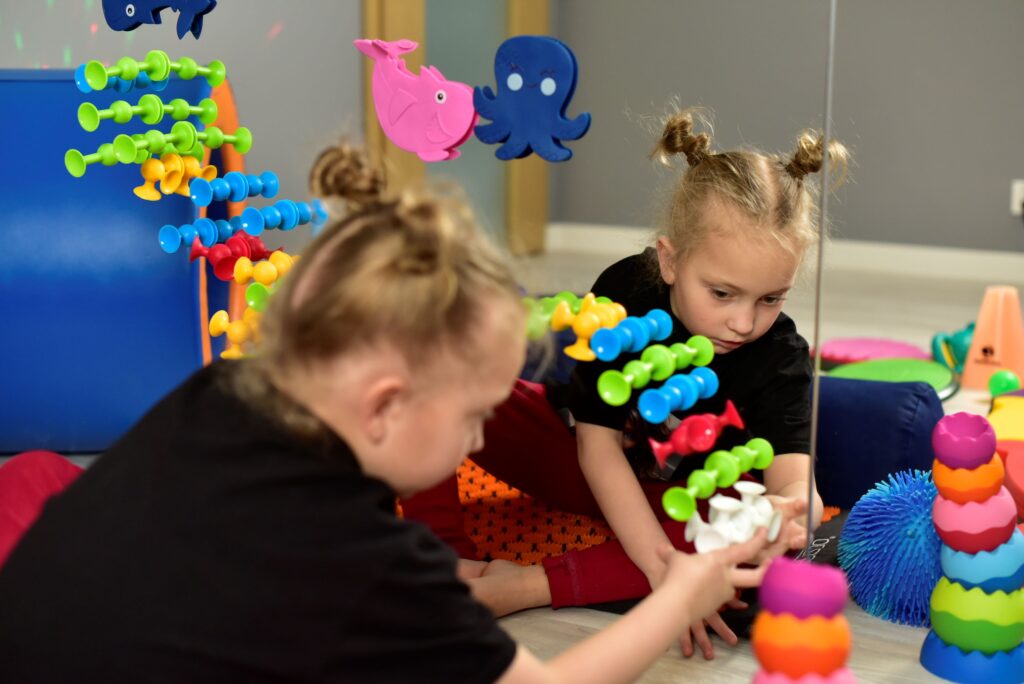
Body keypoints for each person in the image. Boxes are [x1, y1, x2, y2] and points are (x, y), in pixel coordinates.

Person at [0, 142, 778, 683]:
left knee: (38, 477)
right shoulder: (372, 565)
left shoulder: (223, 394)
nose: (480, 436)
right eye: (472, 416)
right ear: (384, 405)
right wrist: (679, 596)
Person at [401, 108, 849, 659]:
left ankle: (522, 586)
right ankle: (445, 558)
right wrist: (668, 578)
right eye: (722, 293)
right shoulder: (626, 291)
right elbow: (596, 447)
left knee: (742, 545)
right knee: (432, 376)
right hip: (580, 460)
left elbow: (796, 486)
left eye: (771, 298)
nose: (743, 322)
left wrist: (786, 516)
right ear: (670, 261)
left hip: (681, 504)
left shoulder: (780, 356)